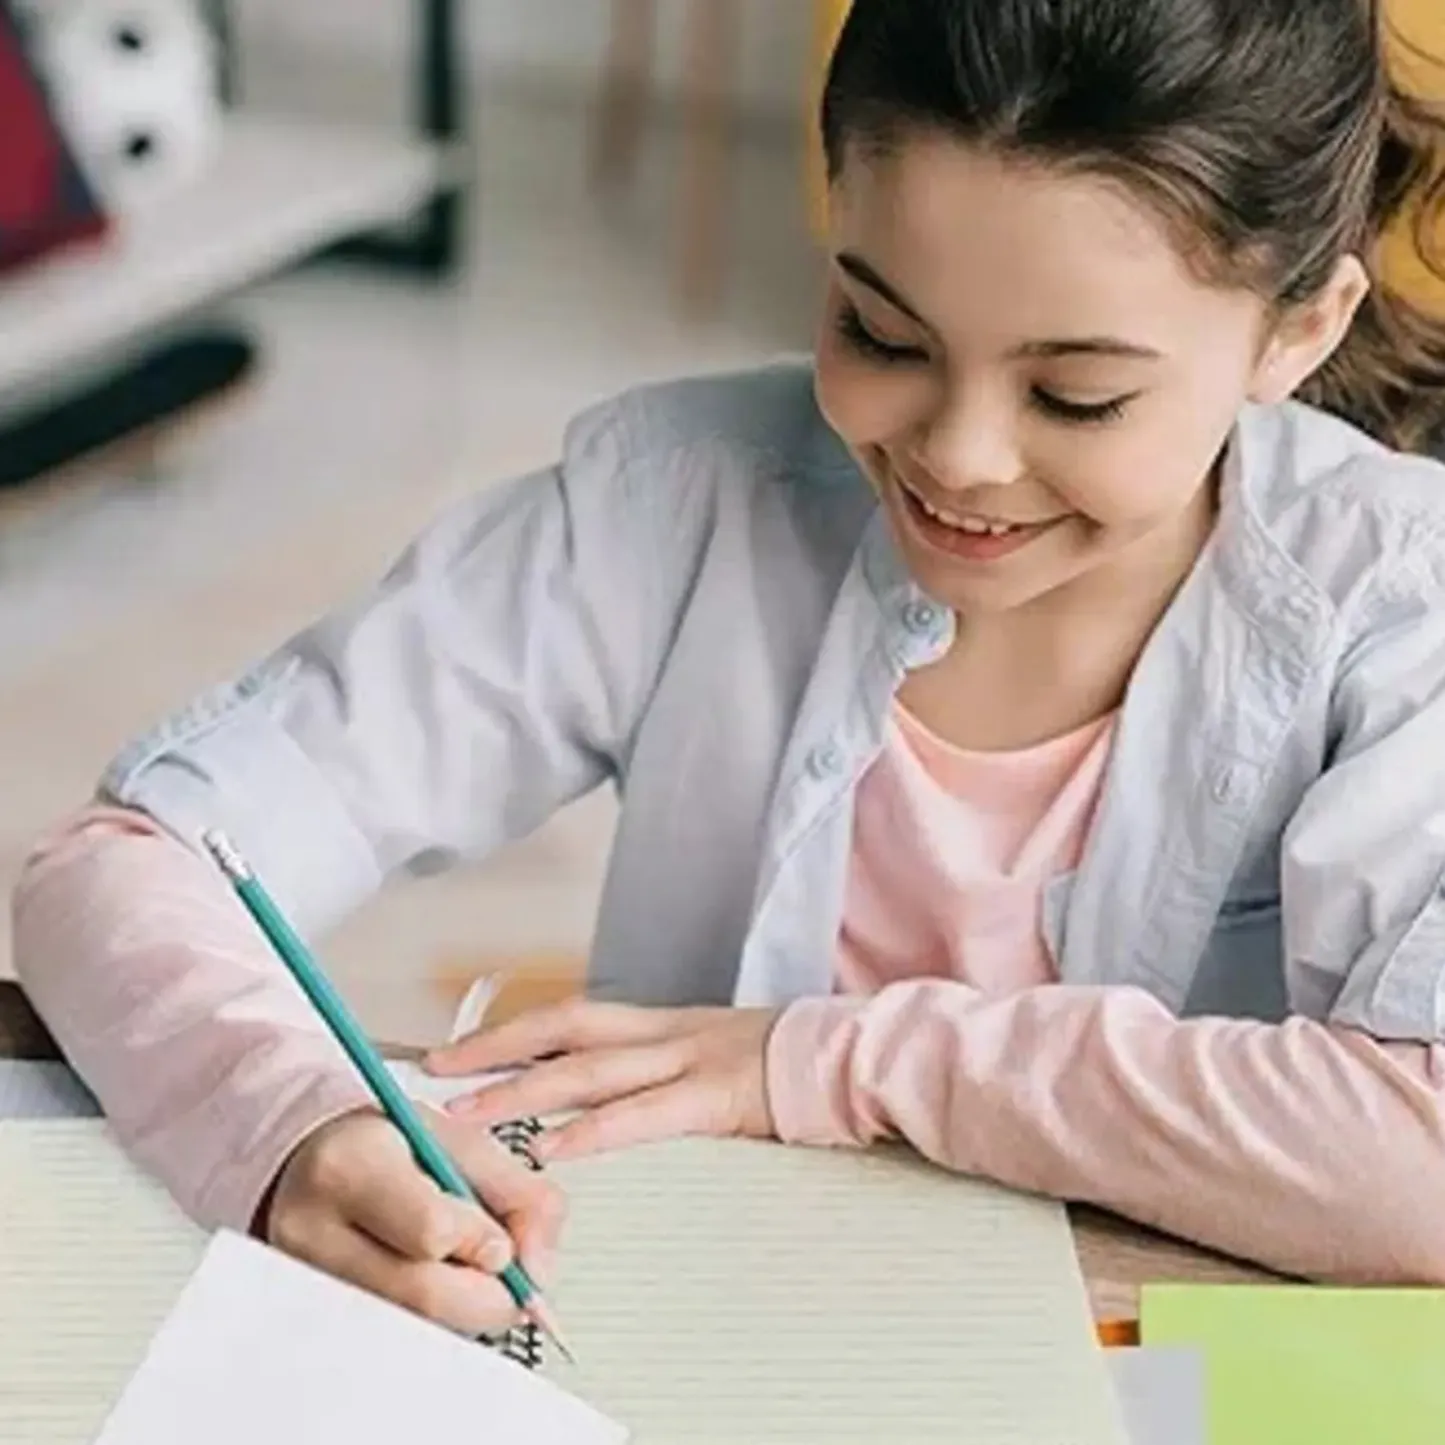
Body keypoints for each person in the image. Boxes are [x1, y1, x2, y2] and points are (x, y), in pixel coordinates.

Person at [14, 0, 1445, 1335]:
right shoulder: (679, 504)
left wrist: (829, 1061)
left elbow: (1421, 1159)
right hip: (688, 1335)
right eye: (881, 331)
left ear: (1299, 329)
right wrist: (287, 1125)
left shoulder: (1393, 598)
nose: (959, 457)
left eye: (1078, 395)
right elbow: (125, 864)